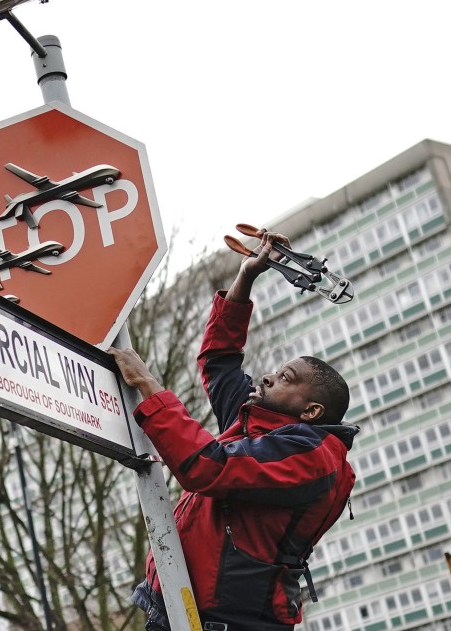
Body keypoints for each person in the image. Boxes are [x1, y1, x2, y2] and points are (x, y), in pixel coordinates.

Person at [108, 229, 360, 631]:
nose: (267, 377)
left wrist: (148, 385)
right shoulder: (255, 423)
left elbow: (205, 467)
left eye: (285, 377)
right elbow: (220, 361)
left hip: (224, 624)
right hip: (173, 608)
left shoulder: (313, 457)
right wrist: (247, 276)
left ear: (311, 410)